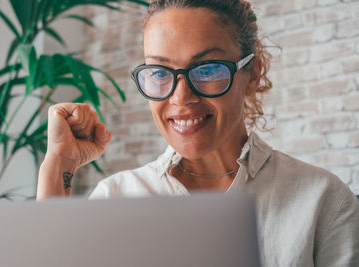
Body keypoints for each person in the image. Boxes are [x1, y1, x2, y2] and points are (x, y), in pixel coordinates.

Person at [37, 0, 359, 265]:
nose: (180, 98)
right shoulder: (116, 199)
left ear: (252, 73)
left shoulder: (323, 204)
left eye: (207, 69)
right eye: (160, 72)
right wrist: (59, 163)